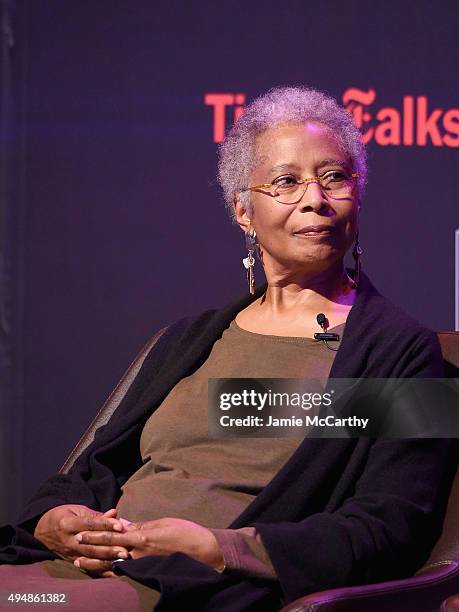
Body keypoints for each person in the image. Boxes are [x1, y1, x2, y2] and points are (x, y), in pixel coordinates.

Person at [0, 86, 456, 612]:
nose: (316, 199)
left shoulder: (400, 353)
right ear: (243, 211)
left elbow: (389, 527)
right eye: (286, 181)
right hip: (76, 571)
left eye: (335, 177)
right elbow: (91, 470)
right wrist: (56, 519)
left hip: (185, 588)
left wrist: (217, 548)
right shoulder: (187, 341)